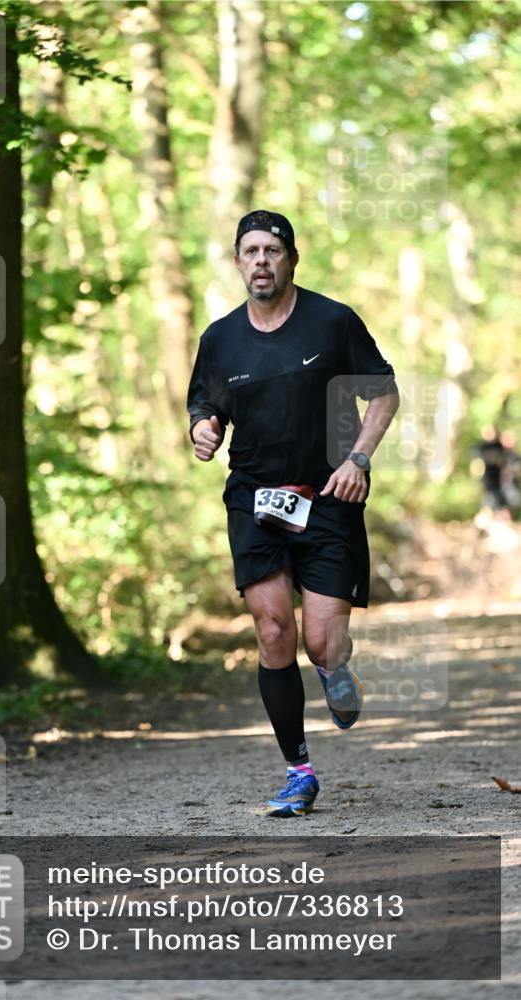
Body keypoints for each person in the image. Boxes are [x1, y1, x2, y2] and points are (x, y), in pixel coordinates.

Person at [187, 210, 399, 817]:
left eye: (272, 251)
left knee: (321, 642)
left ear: (291, 259)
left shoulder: (331, 322)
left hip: (331, 496)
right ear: (237, 262)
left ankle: (336, 667)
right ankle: (298, 771)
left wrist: (358, 458)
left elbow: (383, 391)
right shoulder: (220, 339)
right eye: (250, 251)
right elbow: (206, 404)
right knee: (274, 630)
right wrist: (203, 428)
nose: (261, 261)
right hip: (256, 499)